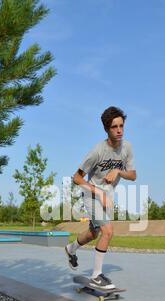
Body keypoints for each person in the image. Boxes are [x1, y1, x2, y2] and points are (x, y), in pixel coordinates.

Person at [65, 106, 136, 289]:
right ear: (106, 129)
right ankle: (97, 276)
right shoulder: (97, 151)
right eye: (114, 127)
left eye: (121, 126)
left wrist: (118, 170)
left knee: (94, 233)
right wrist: (98, 192)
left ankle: (71, 249)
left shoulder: (127, 147)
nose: (119, 130)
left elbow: (133, 175)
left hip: (107, 197)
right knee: (108, 231)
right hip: (92, 195)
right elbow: (76, 177)